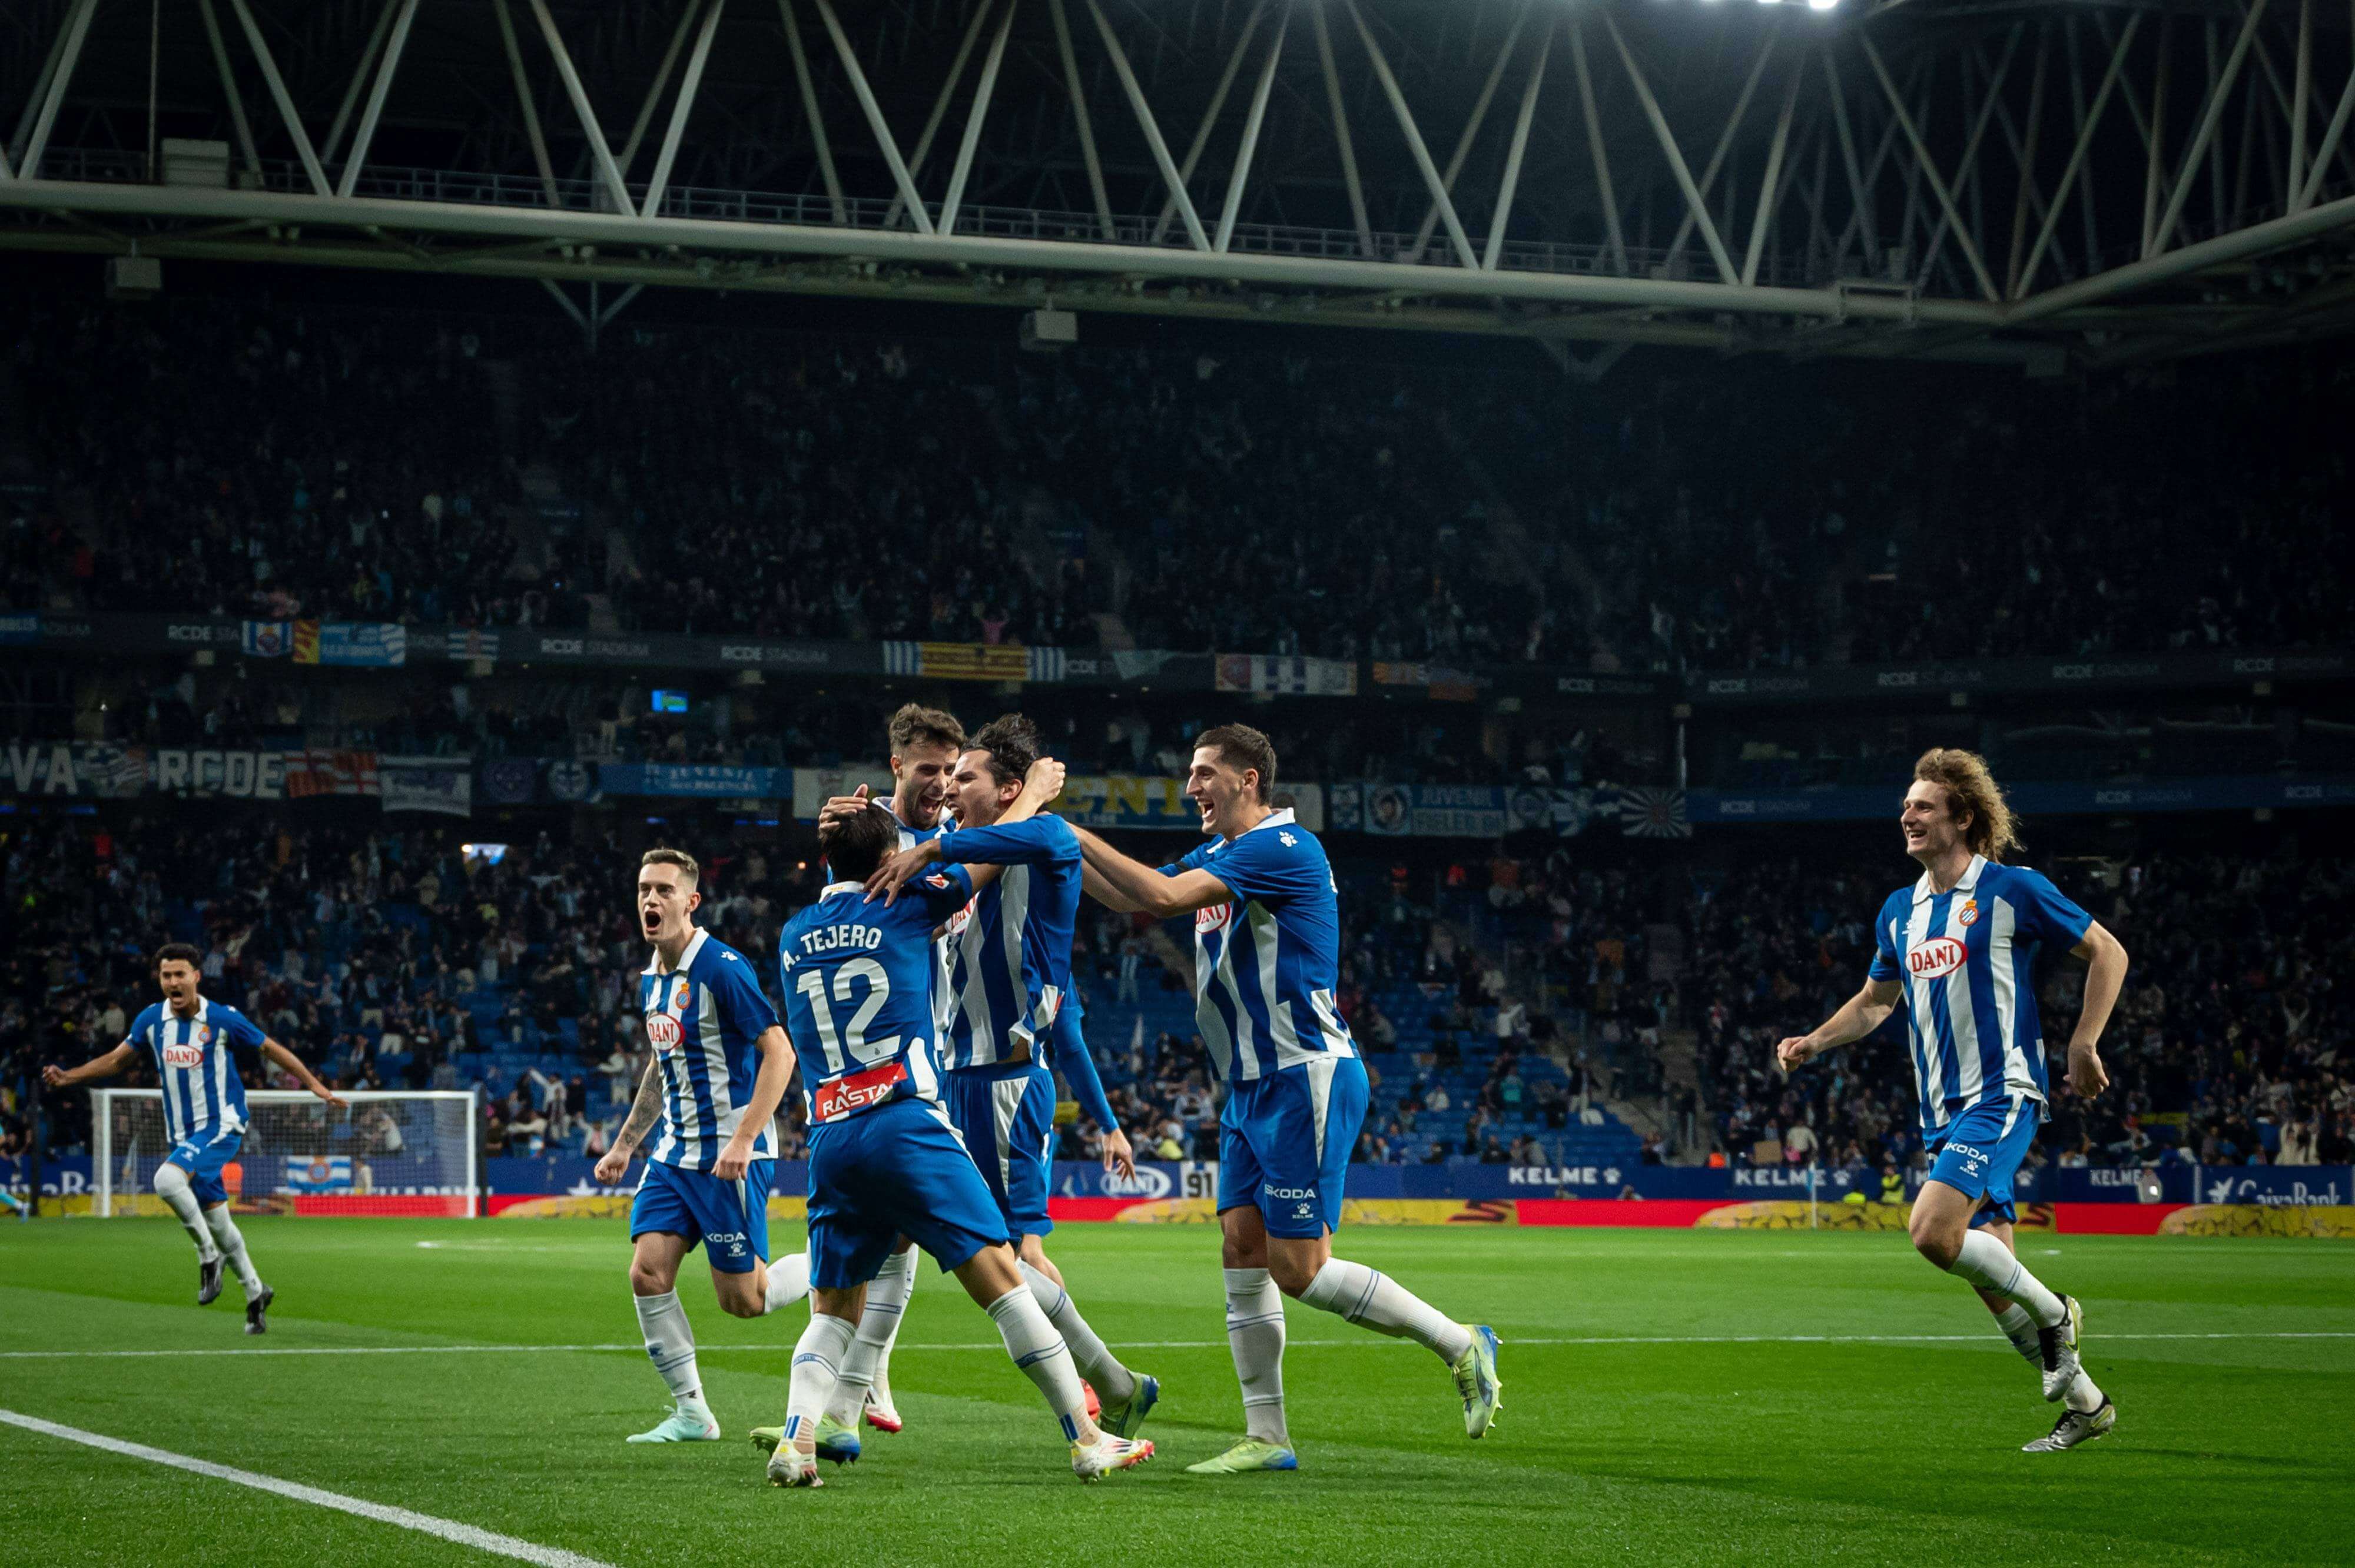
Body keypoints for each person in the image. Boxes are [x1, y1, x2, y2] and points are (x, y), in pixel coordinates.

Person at [1071, 723, 1501, 1473]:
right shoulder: (1224, 854)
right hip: (1248, 1085)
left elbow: (1161, 897)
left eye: (1204, 773)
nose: (1191, 788)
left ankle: (1460, 1342)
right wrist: (1044, 845)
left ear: (1248, 780)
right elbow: (1123, 894)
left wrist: (1063, 828)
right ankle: (1267, 1437)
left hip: (1305, 1074)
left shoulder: (1282, 848)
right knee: (1242, 1251)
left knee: (1297, 1269)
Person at [755, 803, 1152, 1488]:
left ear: (825, 861)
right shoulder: (905, 905)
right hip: (904, 1121)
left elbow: (849, 890)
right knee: (1002, 1277)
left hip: (831, 1136)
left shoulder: (794, 932)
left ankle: (797, 1441)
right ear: (891, 861)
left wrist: (860, 837)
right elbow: (989, 859)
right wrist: (1017, 802)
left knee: (834, 1310)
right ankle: (1088, 1438)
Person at [1775, 749, 2128, 1454]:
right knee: (1993, 1281)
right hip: (1939, 1109)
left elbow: (2107, 952)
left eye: (1923, 806)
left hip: (2001, 1091)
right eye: (1906, 805)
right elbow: (1876, 1002)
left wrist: (2083, 1042)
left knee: (1932, 1233)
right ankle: (2088, 1405)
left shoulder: (2012, 889)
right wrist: (1814, 1040)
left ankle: (2058, 1314)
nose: (1907, 815)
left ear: (1963, 818)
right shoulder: (1899, 910)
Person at [862, 715, 1155, 1447]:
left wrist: (939, 838)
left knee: (1014, 1257)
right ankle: (856, 1388)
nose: (950, 788)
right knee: (938, 1239)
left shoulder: (1043, 840)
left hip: (1006, 1085)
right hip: (960, 1083)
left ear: (1010, 791)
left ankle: (1111, 1387)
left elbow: (1015, 836)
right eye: (946, 775)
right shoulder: (978, 874)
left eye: (965, 777)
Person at [592, 848, 812, 1444]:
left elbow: (780, 1052)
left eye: (664, 890)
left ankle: (833, 1264)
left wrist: (744, 1138)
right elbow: (661, 1065)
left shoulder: (721, 968)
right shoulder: (652, 975)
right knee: (647, 1273)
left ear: (691, 902)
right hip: (673, 1156)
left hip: (726, 1159)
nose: (650, 899)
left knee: (744, 1301)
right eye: (644, 889)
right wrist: (625, 1145)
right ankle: (693, 1413)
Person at [797, 702, 966, 1436]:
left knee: (903, 1233)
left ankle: (863, 1378)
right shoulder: (865, 835)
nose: (941, 783)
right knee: (899, 1229)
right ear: (896, 766)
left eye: (951, 770)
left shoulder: (959, 832)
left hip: (948, 1047)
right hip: (887, 1062)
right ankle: (858, 1381)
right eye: (928, 769)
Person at [44, 941, 345, 1334]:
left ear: (196, 977)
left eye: (180, 974)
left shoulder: (221, 1018)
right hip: (183, 1136)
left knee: (167, 1180)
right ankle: (256, 1293)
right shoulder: (151, 1020)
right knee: (219, 1222)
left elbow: (271, 1048)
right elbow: (117, 1060)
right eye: (166, 975)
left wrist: (314, 1085)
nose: (173, 982)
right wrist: (70, 1076)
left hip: (222, 1124)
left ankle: (208, 1257)